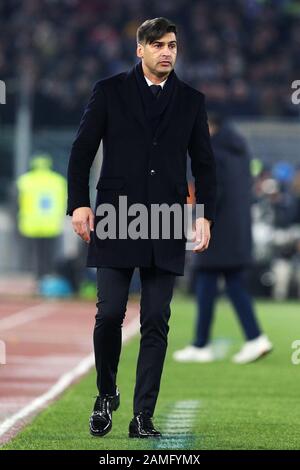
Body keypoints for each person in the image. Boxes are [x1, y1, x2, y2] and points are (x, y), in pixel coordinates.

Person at [66, 18, 216, 438]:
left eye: (172, 45)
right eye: (157, 45)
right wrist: (78, 204)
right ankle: (105, 393)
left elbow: (204, 164)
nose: (167, 51)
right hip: (116, 216)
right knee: (109, 313)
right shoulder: (109, 90)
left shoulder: (191, 99)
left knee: (155, 319)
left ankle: (142, 416)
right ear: (140, 50)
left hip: (167, 218)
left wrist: (203, 213)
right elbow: (81, 152)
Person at [174, 114, 273, 365]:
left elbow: (213, 191)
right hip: (236, 230)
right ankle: (209, 342)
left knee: (217, 282)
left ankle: (224, 341)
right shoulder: (238, 150)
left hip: (217, 230)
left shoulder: (214, 152)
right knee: (218, 282)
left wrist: (199, 220)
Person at [16, 154, 67, 281]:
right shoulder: (58, 181)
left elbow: (16, 201)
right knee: (50, 254)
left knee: (33, 255)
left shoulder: (25, 180)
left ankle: (36, 277)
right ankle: (47, 276)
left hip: (31, 224)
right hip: (52, 224)